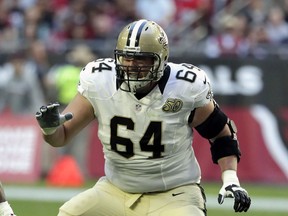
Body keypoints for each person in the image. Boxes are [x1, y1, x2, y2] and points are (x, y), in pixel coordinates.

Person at [35, 19, 251, 216]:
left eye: (141, 59)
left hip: (173, 195)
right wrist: (49, 129)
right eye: (126, 58)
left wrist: (230, 179)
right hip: (115, 190)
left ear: (161, 60)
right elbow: (60, 138)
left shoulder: (185, 87)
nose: (131, 66)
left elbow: (221, 134)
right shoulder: (100, 80)